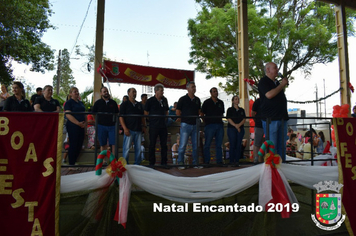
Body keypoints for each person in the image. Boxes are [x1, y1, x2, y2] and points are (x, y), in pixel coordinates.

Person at [258, 62, 289, 162]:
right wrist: (282, 85)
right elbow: (269, 95)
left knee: (282, 146)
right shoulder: (263, 82)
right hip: (271, 119)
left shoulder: (276, 83)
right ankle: (272, 168)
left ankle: (281, 167)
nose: (277, 69)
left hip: (282, 118)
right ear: (268, 70)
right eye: (275, 68)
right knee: (272, 146)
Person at [176, 81, 202, 169]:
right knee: (182, 145)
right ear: (187, 88)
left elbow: (199, 111)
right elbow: (177, 111)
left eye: (194, 86)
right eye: (192, 87)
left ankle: (195, 163)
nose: (194, 88)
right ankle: (180, 163)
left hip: (195, 124)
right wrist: (182, 119)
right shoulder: (182, 99)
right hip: (185, 124)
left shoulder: (197, 99)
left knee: (196, 145)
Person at [119, 87, 146, 165]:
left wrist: (144, 126)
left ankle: (137, 165)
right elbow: (121, 117)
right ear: (128, 93)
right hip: (129, 129)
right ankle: (125, 165)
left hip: (138, 129)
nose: (135, 93)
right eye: (133, 91)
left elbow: (142, 116)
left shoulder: (139, 104)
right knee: (126, 148)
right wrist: (125, 128)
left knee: (138, 149)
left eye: (135, 92)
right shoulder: (124, 104)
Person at [144, 83, 169, 167]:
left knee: (164, 145)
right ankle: (152, 163)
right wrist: (150, 120)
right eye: (161, 90)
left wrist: (165, 119)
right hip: (153, 126)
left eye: (163, 90)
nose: (163, 92)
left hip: (163, 126)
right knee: (152, 145)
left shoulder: (164, 100)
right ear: (156, 91)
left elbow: (167, 111)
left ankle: (164, 163)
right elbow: (146, 112)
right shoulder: (150, 100)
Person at [201, 87, 225, 165]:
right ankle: (207, 161)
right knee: (207, 144)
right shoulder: (206, 102)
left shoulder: (221, 102)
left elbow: (222, 113)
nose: (216, 93)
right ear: (211, 93)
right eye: (214, 91)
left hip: (219, 125)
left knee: (219, 144)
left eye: (216, 91)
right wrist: (206, 121)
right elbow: (202, 113)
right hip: (209, 125)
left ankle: (219, 161)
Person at [64, 87, 86, 167]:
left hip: (82, 126)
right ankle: (71, 164)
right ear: (70, 93)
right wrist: (78, 123)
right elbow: (68, 115)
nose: (76, 93)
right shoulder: (69, 103)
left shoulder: (81, 103)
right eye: (74, 91)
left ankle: (74, 161)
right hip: (73, 126)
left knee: (80, 144)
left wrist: (85, 125)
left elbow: (84, 114)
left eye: (77, 91)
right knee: (73, 144)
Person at [92, 87, 119, 153]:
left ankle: (113, 161)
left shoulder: (113, 103)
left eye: (107, 91)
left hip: (112, 126)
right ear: (101, 93)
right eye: (104, 91)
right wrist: (97, 121)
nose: (106, 92)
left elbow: (117, 113)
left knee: (113, 144)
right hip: (101, 126)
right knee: (103, 144)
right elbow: (93, 113)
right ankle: (103, 161)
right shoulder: (97, 103)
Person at [226, 95, 246, 167]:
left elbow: (244, 119)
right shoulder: (230, 110)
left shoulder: (242, 110)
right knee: (232, 144)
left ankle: (237, 161)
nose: (237, 100)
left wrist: (239, 125)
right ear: (233, 101)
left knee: (238, 145)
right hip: (232, 128)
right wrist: (235, 125)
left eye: (238, 99)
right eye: (235, 99)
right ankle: (231, 161)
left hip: (240, 128)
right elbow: (229, 118)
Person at [251, 97, 264, 163]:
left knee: (269, 142)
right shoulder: (257, 101)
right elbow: (252, 113)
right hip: (259, 124)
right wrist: (256, 120)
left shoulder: (269, 100)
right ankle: (256, 158)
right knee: (257, 142)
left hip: (268, 124)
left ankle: (268, 158)